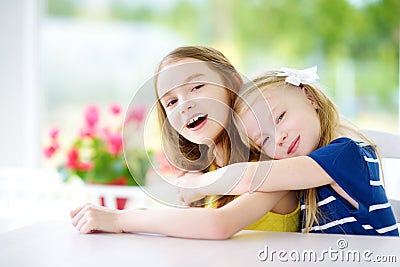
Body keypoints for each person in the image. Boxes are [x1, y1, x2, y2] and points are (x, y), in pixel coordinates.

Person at [70, 46, 300, 239]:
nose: (184, 104)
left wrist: (120, 218)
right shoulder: (202, 175)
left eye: (197, 87)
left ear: (234, 84)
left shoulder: (273, 164)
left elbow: (218, 225)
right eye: (171, 102)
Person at [176, 67, 399, 236]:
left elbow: (252, 177)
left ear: (309, 98)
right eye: (264, 140)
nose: (279, 138)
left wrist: (197, 185)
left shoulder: (346, 155)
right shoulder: (305, 179)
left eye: (280, 117)